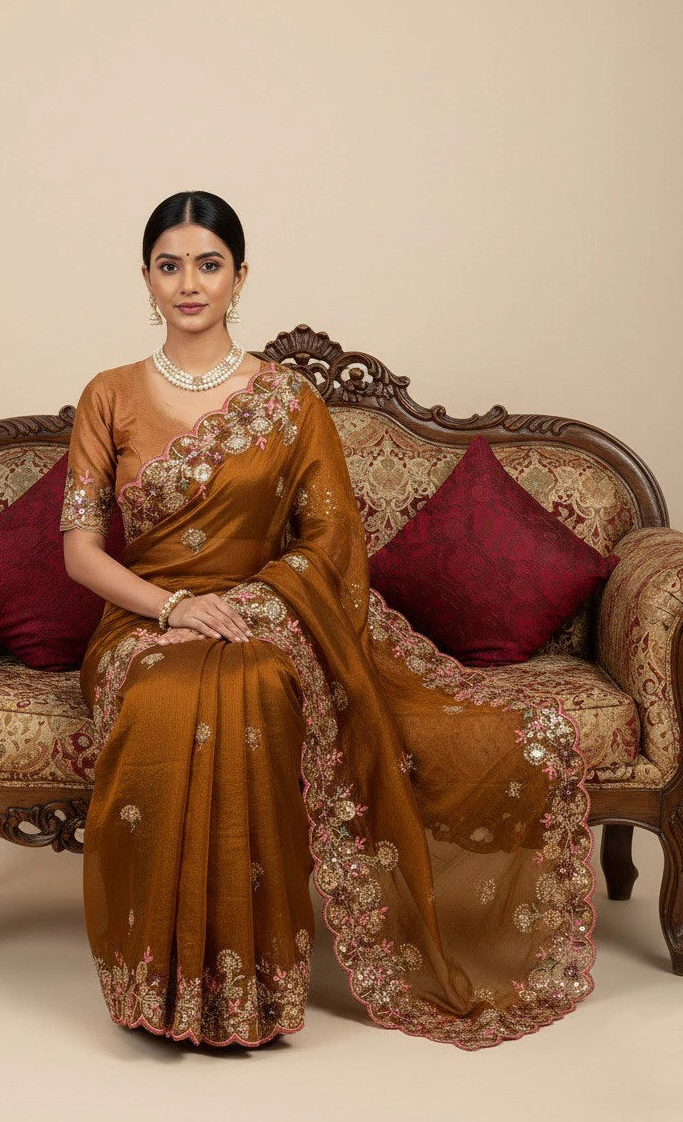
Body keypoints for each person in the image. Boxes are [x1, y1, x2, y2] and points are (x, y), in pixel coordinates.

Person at [60, 190, 596, 1050]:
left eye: (208, 264)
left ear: (239, 278)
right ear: (148, 280)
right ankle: (157, 985)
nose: (189, 284)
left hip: (262, 618)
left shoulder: (286, 400)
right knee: (164, 703)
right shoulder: (110, 396)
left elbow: (330, 539)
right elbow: (80, 553)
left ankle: (256, 994)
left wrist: (247, 604)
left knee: (264, 687)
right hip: (144, 624)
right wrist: (174, 607)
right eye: (170, 266)